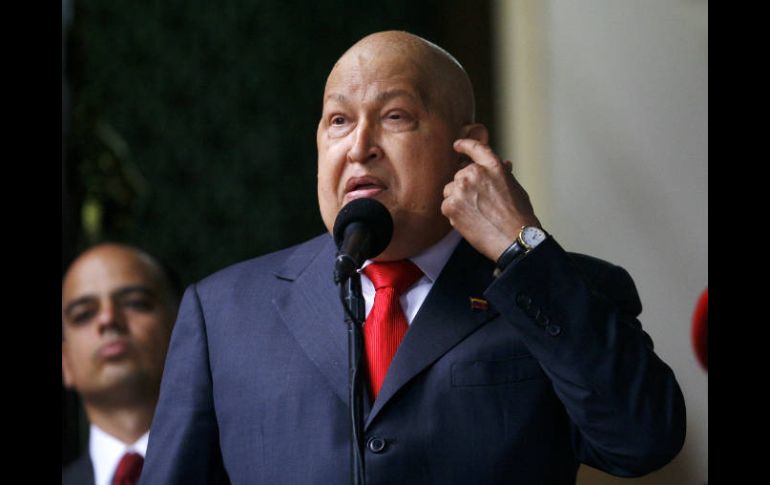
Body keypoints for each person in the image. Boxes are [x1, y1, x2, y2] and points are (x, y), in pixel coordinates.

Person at [140, 31, 686, 484]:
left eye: (395, 116)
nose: (359, 147)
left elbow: (642, 441)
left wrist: (522, 250)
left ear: (466, 147)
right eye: (338, 121)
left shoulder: (558, 287)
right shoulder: (224, 311)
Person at [62, 243, 178, 485]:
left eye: (135, 302)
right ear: (65, 361)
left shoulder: (244, 470)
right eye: (83, 314)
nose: (108, 318)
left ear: (181, 328)